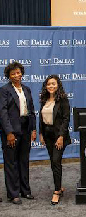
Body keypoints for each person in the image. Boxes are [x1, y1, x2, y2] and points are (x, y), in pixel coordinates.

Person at [0, 62, 36, 205]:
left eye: (18, 72)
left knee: (23, 161)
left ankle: (25, 190)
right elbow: (2, 113)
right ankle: (13, 193)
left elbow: (32, 111)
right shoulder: (4, 90)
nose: (17, 75)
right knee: (11, 163)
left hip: (25, 129)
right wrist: (9, 132)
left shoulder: (27, 89)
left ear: (22, 73)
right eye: (13, 73)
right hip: (11, 131)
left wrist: (33, 129)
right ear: (9, 76)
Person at [39, 75, 71, 205]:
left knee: (56, 161)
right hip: (47, 135)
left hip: (59, 136)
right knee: (53, 162)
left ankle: (57, 191)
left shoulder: (62, 99)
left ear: (58, 85)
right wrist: (41, 133)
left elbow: (66, 119)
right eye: (48, 84)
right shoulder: (44, 99)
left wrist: (61, 136)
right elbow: (40, 118)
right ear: (45, 86)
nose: (51, 86)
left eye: (53, 84)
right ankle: (59, 185)